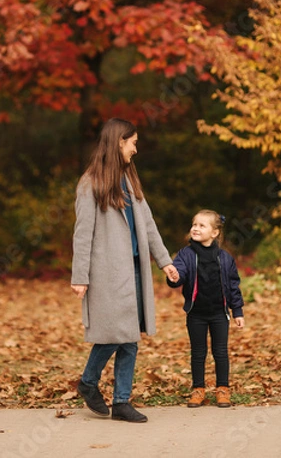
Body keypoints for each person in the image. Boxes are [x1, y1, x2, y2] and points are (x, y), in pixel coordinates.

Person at [71, 117, 179, 423]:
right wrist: (80, 276)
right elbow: (83, 233)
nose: (136, 149)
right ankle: (89, 383)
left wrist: (165, 261)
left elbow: (147, 224)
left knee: (129, 337)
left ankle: (120, 401)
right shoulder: (90, 184)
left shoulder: (130, 181)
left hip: (134, 270)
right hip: (106, 273)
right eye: (133, 143)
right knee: (115, 334)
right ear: (119, 142)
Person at [167, 209, 244, 408]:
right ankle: (198, 389)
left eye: (202, 225)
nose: (196, 228)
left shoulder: (225, 258)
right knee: (198, 352)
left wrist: (238, 311)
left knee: (220, 352)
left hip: (219, 313)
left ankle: (223, 389)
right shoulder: (185, 254)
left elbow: (234, 285)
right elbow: (179, 273)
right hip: (196, 313)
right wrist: (174, 277)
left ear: (215, 233)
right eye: (194, 224)